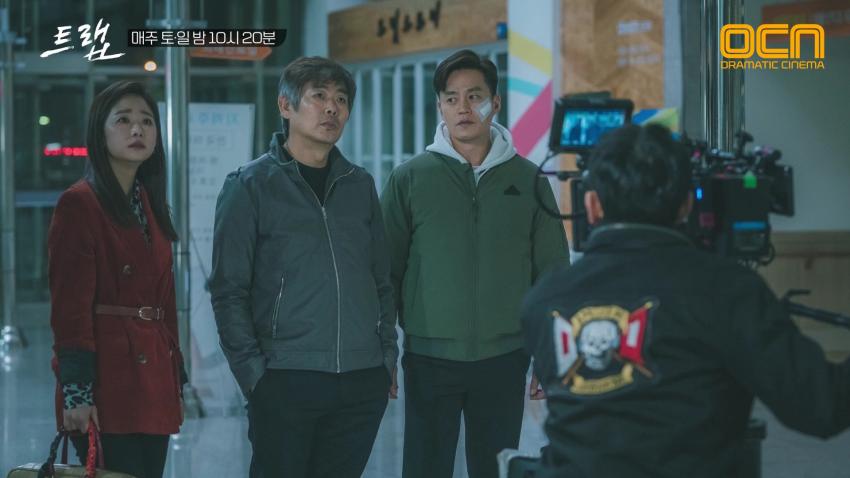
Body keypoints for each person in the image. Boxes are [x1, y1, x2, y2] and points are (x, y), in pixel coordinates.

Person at [521, 123, 850, 478]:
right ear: (686, 205)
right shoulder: (727, 289)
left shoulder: (545, 299)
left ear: (592, 205)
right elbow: (821, 407)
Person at [380, 49, 569, 478]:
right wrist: (384, 350)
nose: (463, 108)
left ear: (495, 103)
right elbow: (385, 272)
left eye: (474, 96)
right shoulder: (410, 178)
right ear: (440, 107)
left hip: (505, 357)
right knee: (425, 469)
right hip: (429, 357)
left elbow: (553, 272)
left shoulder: (528, 179)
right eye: (451, 98)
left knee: (494, 469)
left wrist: (548, 351)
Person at [209, 56, 398, 478]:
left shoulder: (360, 184)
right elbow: (228, 290)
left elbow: (381, 280)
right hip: (284, 377)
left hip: (361, 378)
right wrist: (255, 377)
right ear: (286, 106)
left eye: (341, 99)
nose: (332, 108)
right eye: (319, 96)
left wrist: (385, 357)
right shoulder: (249, 185)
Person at [48, 80, 186, 478]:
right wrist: (76, 393)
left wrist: (176, 380)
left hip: (154, 382)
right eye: (123, 120)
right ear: (100, 131)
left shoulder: (152, 205)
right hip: (108, 384)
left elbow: (165, 305)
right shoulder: (79, 203)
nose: (137, 129)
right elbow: (70, 312)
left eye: (147, 121)